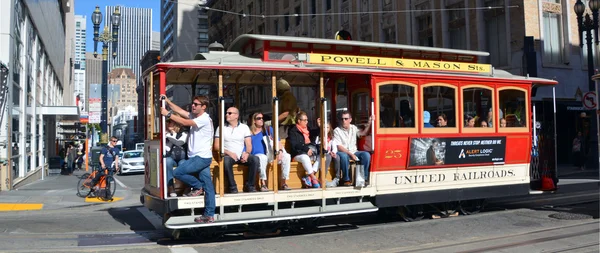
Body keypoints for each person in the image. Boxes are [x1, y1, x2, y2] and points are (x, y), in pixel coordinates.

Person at [161, 95, 215, 224]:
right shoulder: (196, 116)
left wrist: (168, 114)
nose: (193, 106)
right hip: (200, 156)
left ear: (204, 107)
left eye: (196, 104)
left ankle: (197, 187)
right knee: (209, 187)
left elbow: (185, 122)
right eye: (193, 103)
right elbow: (181, 112)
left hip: (201, 157)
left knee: (177, 172)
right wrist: (168, 102)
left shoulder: (204, 119)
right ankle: (209, 215)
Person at [214, 107, 259, 193]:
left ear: (236, 116)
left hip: (241, 155)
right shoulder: (221, 128)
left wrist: (247, 153)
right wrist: (228, 152)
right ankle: (232, 187)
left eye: (230, 113)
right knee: (226, 161)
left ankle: (250, 185)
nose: (227, 115)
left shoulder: (244, 127)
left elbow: (249, 144)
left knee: (255, 159)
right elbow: (216, 146)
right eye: (226, 113)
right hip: (228, 155)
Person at [249, 112, 292, 191]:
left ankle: (283, 182)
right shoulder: (250, 132)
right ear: (254, 121)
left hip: (270, 153)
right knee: (262, 158)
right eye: (259, 118)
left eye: (262, 118)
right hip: (258, 155)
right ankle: (263, 183)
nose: (261, 120)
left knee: (287, 156)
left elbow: (278, 141)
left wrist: (280, 151)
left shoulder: (268, 129)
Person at [334, 110, 373, 186]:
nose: (343, 121)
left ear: (350, 120)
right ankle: (346, 179)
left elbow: (363, 134)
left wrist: (370, 122)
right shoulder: (336, 130)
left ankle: (362, 179)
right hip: (342, 152)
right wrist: (351, 154)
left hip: (354, 151)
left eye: (346, 119)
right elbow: (339, 146)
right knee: (344, 156)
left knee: (366, 155)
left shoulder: (353, 128)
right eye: (342, 119)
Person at [288, 111, 321, 188]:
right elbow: (295, 145)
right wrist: (306, 149)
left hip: (310, 152)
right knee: (305, 158)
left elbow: (316, 133)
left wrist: (319, 127)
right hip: (298, 154)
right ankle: (313, 178)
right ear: (299, 121)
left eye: (307, 120)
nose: (307, 122)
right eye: (305, 120)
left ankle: (308, 177)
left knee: (321, 156)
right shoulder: (293, 131)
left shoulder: (307, 129)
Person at [165, 118, 188, 197]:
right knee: (168, 161)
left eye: (170, 122)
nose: (168, 123)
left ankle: (185, 187)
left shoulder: (184, 133)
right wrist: (167, 135)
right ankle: (171, 186)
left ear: (176, 123)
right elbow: (167, 148)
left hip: (182, 158)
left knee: (183, 164)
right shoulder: (165, 134)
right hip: (171, 158)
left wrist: (172, 134)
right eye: (167, 122)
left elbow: (180, 142)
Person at [316, 119, 342, 186]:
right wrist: (329, 152)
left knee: (337, 157)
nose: (325, 129)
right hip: (322, 154)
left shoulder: (331, 137)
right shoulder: (319, 137)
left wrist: (333, 152)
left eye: (327, 127)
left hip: (330, 153)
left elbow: (334, 147)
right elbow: (318, 147)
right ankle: (323, 177)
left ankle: (337, 178)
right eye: (324, 127)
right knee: (328, 157)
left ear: (329, 128)